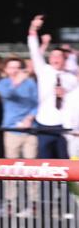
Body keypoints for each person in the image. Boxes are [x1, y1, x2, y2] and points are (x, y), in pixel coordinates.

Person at [28, 15, 78, 159]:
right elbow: (34, 50)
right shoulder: (44, 71)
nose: (55, 59)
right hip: (44, 123)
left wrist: (65, 95)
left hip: (64, 125)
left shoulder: (71, 78)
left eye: (59, 57)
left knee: (64, 162)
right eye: (53, 56)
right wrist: (33, 28)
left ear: (65, 60)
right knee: (45, 162)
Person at [0, 57, 39, 215]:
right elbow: (7, 95)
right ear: (6, 69)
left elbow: (37, 103)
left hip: (30, 130)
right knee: (11, 169)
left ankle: (33, 204)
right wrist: (17, 82)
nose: (14, 70)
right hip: (11, 131)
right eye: (11, 67)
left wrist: (30, 118)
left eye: (17, 67)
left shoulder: (30, 83)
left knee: (31, 168)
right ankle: (11, 204)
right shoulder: (3, 83)